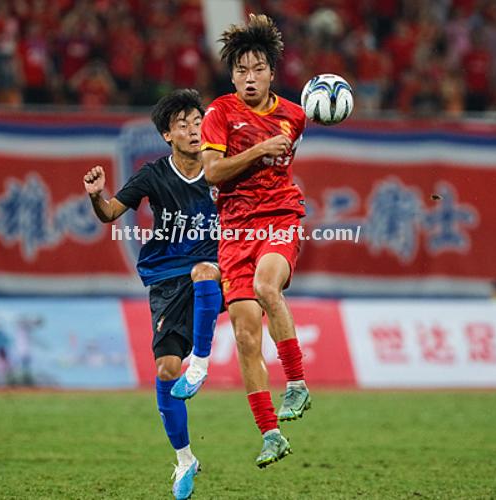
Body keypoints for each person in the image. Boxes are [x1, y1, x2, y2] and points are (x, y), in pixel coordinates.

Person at [83, 89, 222, 500]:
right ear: (167, 135)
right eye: (183, 125)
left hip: (217, 272)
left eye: (198, 122)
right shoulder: (153, 175)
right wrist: (95, 195)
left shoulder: (222, 168)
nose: (194, 129)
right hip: (166, 280)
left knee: (204, 271)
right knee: (164, 370)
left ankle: (201, 362)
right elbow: (110, 213)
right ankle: (184, 460)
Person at [200, 14, 311, 468]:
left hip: (280, 219)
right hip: (234, 231)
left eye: (258, 69)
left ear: (271, 72)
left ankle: (299, 383)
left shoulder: (295, 116)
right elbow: (212, 172)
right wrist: (256, 151)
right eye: (241, 70)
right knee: (246, 335)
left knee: (268, 286)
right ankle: (271, 433)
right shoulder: (219, 113)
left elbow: (278, 163)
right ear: (232, 76)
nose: (250, 78)